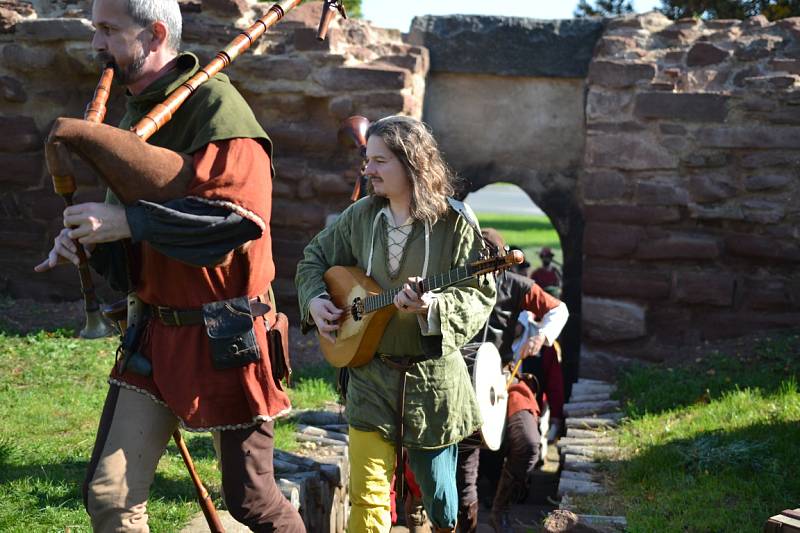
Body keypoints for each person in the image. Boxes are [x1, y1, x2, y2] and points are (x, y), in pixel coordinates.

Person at [34, 0, 304, 531]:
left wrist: (129, 223)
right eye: (96, 30)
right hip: (157, 332)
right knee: (110, 498)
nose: (96, 45)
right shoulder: (135, 113)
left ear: (155, 34)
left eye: (109, 31)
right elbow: (131, 248)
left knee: (251, 499)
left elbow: (237, 222)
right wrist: (92, 240)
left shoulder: (219, 111)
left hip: (230, 330)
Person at [296, 115, 495, 533]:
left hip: (432, 383)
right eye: (368, 160)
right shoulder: (361, 217)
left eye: (379, 161)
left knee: (439, 500)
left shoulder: (455, 223)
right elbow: (313, 259)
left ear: (412, 163)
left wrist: (431, 308)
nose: (367, 170)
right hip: (369, 375)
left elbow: (479, 295)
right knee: (367, 504)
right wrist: (315, 299)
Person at [456, 229, 568, 533]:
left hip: (503, 379)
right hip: (459, 382)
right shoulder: (454, 283)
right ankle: (467, 522)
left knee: (529, 442)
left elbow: (558, 310)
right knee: (464, 466)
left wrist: (542, 336)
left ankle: (502, 508)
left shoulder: (517, 287)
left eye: (491, 261)